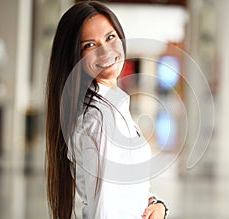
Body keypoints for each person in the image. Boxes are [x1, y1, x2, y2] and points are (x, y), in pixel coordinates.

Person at [45, 1, 168, 219]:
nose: (105, 51)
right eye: (90, 45)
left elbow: (126, 189)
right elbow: (103, 209)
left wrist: (156, 204)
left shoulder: (113, 104)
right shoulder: (99, 119)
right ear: (74, 57)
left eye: (110, 37)